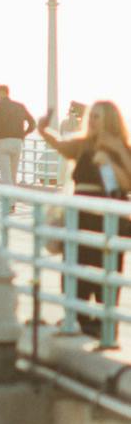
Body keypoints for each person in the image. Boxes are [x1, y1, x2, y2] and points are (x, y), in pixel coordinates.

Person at [38, 101, 131, 343]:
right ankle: (78, 318)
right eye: (91, 117)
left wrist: (109, 161)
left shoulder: (118, 146)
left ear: (110, 120)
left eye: (97, 117)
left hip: (104, 217)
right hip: (79, 216)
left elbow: (126, 183)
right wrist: (43, 130)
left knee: (103, 269)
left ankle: (102, 325)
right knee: (75, 265)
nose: (91, 121)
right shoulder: (84, 145)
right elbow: (60, 146)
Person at [0, 83, 35, 182]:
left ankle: (8, 197)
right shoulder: (20, 106)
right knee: (13, 175)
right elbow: (32, 123)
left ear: (2, 93)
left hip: (3, 141)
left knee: (5, 175)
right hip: (17, 142)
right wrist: (23, 134)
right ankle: (13, 195)